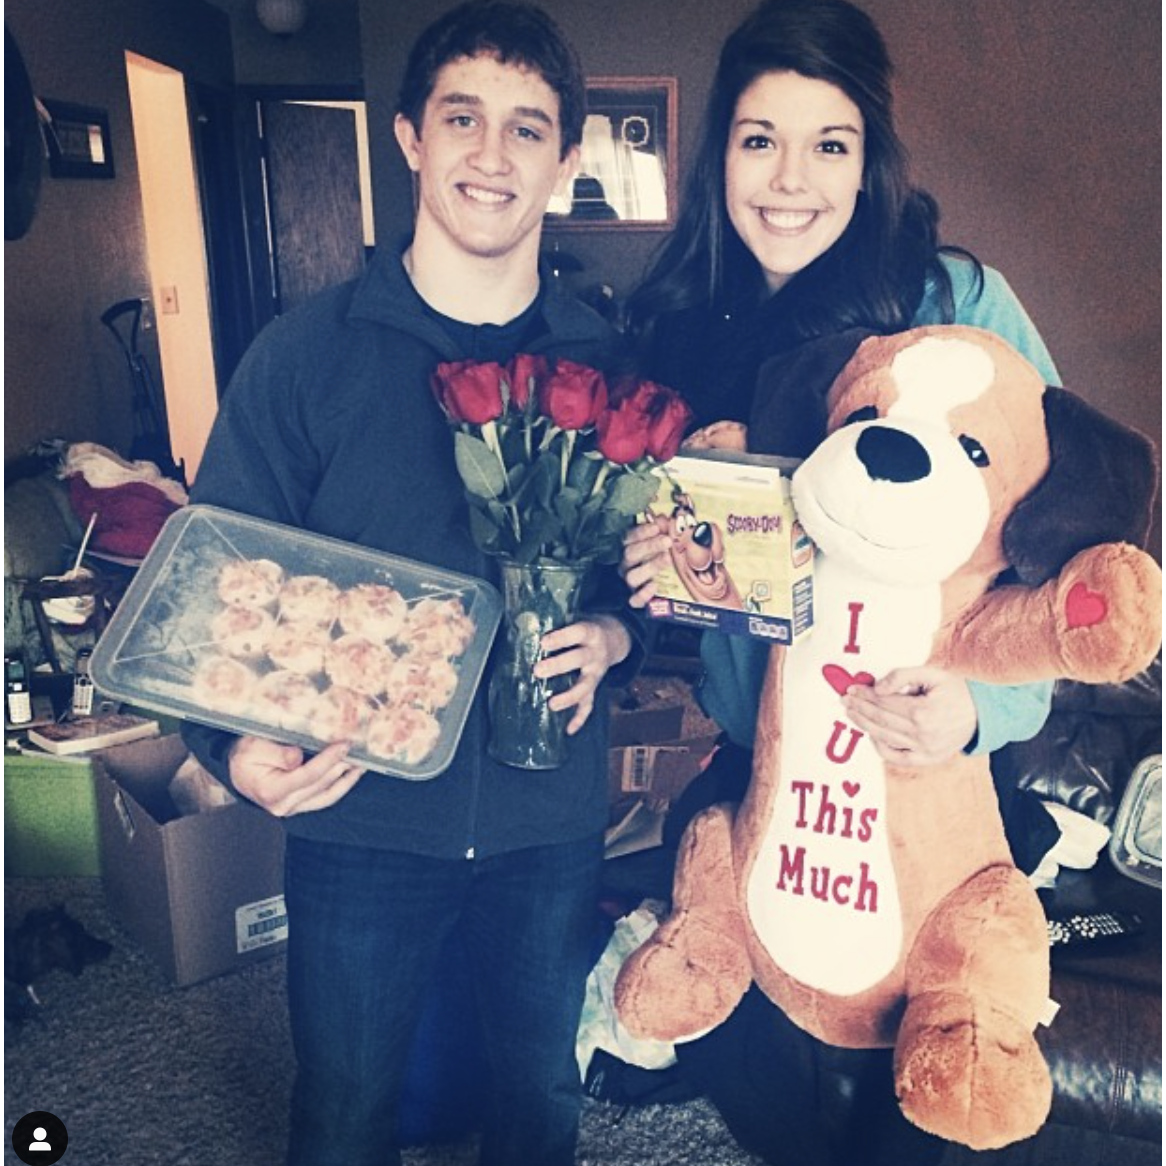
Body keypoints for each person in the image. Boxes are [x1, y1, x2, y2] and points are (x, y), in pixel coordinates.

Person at [180, 6, 645, 1166]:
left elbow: (657, 571)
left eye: (526, 127)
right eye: (461, 118)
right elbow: (212, 583)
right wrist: (227, 742)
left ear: (565, 160)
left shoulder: (610, 364)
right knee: (341, 1108)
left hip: (549, 820)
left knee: (539, 1097)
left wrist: (613, 632)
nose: (492, 154)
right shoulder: (302, 356)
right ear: (408, 139)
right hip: (358, 811)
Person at [617, 1, 1061, 1163]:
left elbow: (1064, 562)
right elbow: (699, 592)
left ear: (869, 163)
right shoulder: (681, 329)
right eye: (758, 138)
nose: (787, 180)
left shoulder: (956, 305)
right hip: (765, 795)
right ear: (716, 152)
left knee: (914, 1112)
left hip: (927, 801)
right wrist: (660, 588)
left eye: (829, 142)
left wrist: (983, 707)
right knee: (770, 1094)